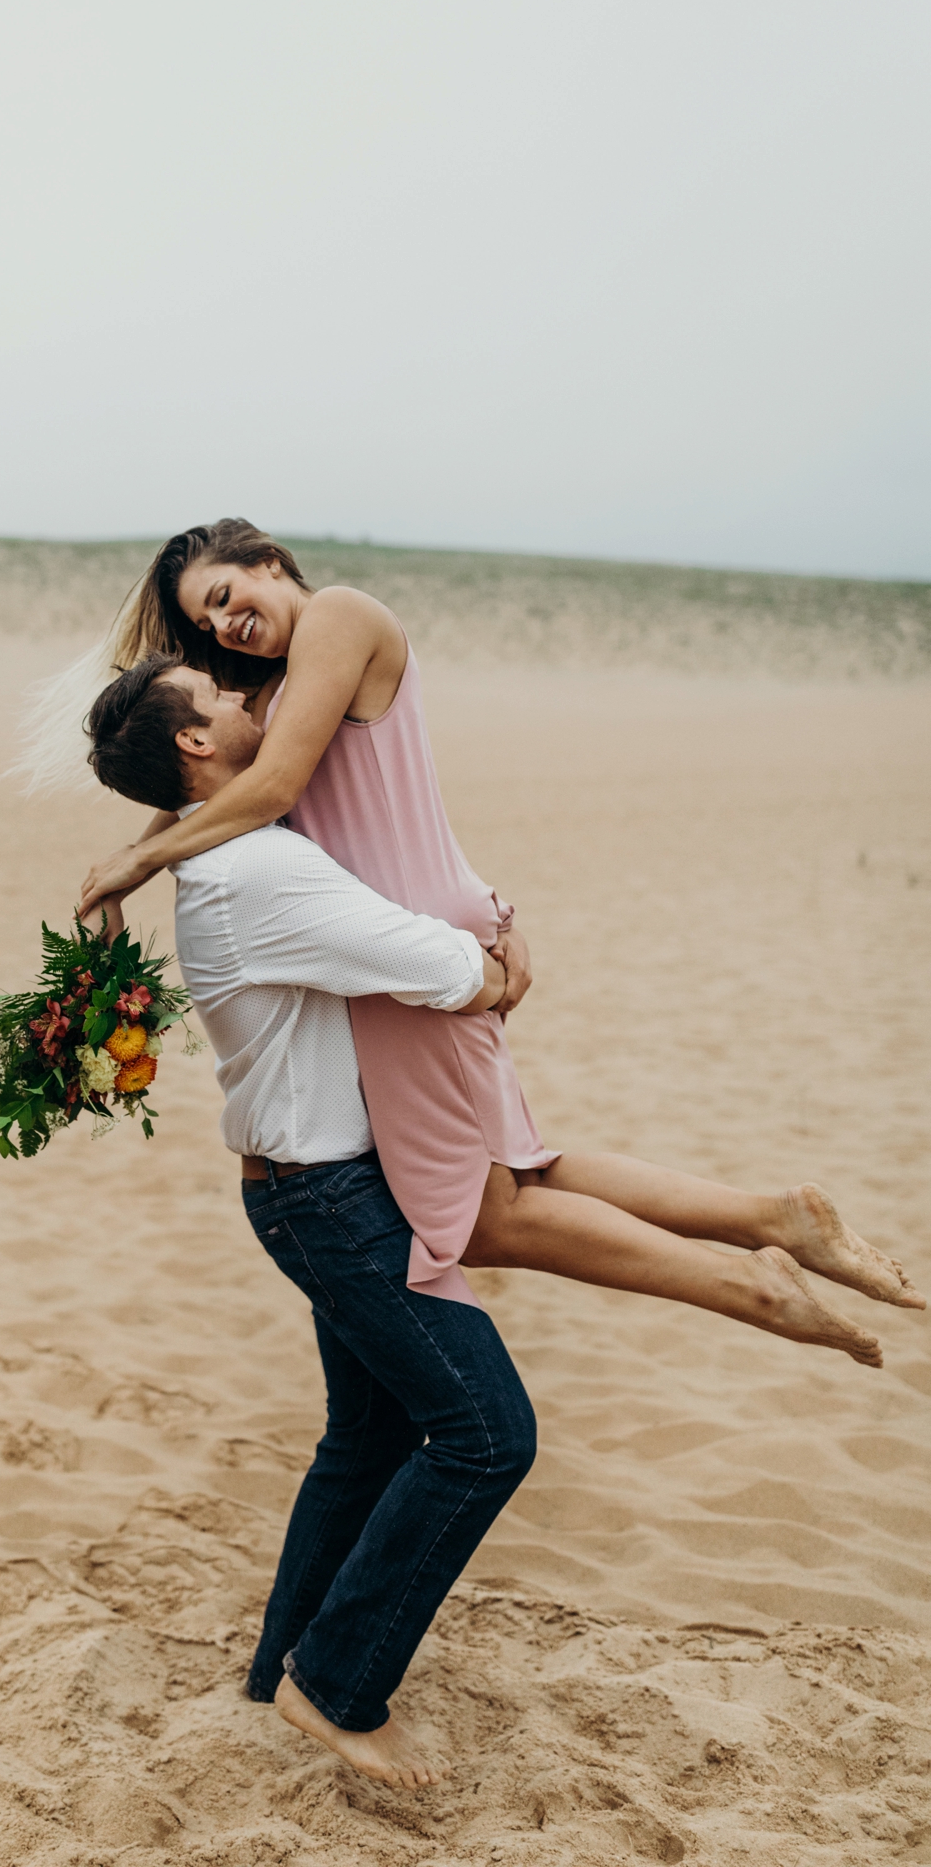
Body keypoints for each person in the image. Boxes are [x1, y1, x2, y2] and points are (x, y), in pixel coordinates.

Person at [77, 564, 923, 1359]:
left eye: (225, 594)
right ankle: (774, 1220)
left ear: (266, 559)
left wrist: (138, 863)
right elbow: (212, 785)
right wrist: (140, 847)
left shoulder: (331, 621)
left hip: (404, 949)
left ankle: (750, 1279)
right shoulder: (281, 688)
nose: (224, 625)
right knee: (515, 1170)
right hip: (412, 926)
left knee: (487, 1216)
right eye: (205, 621)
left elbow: (264, 791)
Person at [86, 650, 536, 1789]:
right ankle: (333, 1683)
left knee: (371, 1436)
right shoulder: (256, 871)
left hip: (310, 1190)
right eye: (225, 697)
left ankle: (278, 1666)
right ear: (194, 745)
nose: (252, 700)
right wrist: (492, 957)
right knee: (486, 1436)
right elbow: (442, 969)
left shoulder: (236, 860)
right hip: (326, 1201)